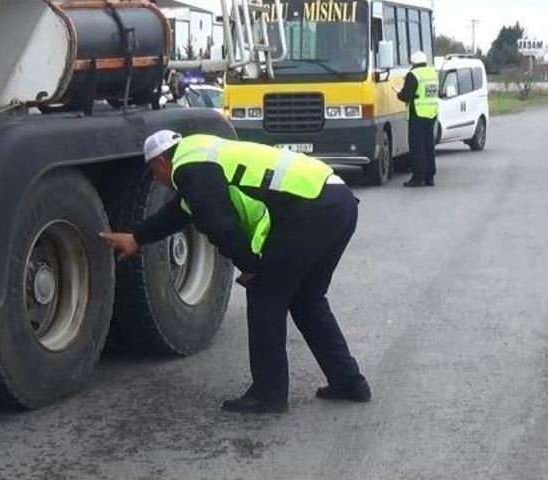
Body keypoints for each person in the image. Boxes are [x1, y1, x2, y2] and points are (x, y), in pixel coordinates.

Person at [100, 131, 371, 414]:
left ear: (161, 160)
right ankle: (348, 382)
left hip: (313, 208)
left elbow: (217, 222)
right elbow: (179, 213)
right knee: (307, 300)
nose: (154, 177)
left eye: (151, 170)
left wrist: (251, 266)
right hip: (336, 200)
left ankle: (269, 394)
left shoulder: (188, 167)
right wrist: (136, 238)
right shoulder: (202, 154)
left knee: (265, 297)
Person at [397, 50, 439, 187]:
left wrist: (399, 94)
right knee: (429, 146)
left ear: (413, 63)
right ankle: (430, 177)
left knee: (417, 148)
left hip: (418, 114)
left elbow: (407, 95)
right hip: (431, 114)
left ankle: (418, 177)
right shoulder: (433, 73)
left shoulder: (413, 74)